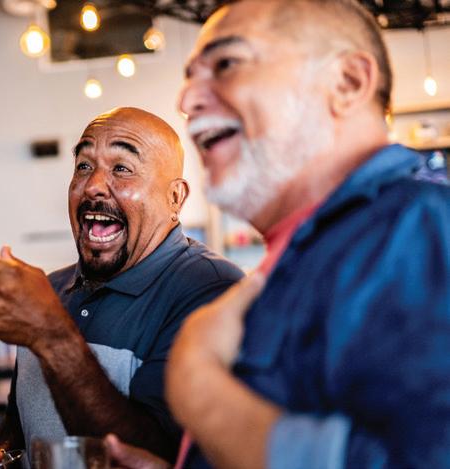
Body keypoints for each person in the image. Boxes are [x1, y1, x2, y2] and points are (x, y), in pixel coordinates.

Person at [129, 1, 448, 468]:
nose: (187, 99)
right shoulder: (322, 245)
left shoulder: (417, 227)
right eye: (191, 77)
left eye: (227, 64)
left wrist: (197, 384)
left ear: (347, 83)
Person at [0, 107, 243, 466]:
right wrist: (3, 452)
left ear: (175, 198)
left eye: (121, 168)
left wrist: (52, 336)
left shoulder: (212, 291)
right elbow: (24, 420)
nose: (92, 185)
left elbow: (159, 455)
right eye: (84, 166)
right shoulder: (50, 290)